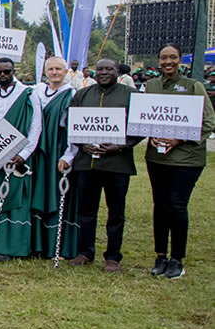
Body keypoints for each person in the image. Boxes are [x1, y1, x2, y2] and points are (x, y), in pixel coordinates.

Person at [59, 58, 140, 273]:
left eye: (109, 69)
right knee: (86, 210)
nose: (104, 72)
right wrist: (82, 143)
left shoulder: (129, 95)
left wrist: (120, 146)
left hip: (117, 163)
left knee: (116, 212)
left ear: (117, 72)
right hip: (87, 164)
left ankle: (113, 257)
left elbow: (139, 127)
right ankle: (85, 252)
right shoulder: (83, 94)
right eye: (100, 69)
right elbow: (69, 123)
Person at [142, 44, 215, 279]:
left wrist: (178, 139)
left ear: (180, 60)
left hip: (186, 160)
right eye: (163, 58)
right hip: (157, 158)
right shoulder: (151, 86)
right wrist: (150, 133)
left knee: (177, 205)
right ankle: (160, 256)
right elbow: (145, 117)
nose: (168, 62)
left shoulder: (194, 86)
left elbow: (208, 122)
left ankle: (177, 260)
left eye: (173, 57)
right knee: (160, 206)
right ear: (159, 60)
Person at [0, 57, 42, 262]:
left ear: (13, 71)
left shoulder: (28, 95)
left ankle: (17, 248)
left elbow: (35, 127)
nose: (2, 76)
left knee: (17, 202)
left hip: (20, 157)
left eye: (6, 71)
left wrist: (24, 155)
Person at [30, 57, 78, 260]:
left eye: (58, 69)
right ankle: (37, 245)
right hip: (38, 150)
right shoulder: (37, 91)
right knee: (37, 192)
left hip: (57, 150)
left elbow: (74, 128)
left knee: (57, 194)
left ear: (66, 71)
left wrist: (69, 154)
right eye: (51, 69)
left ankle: (56, 246)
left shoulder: (71, 94)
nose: (54, 72)